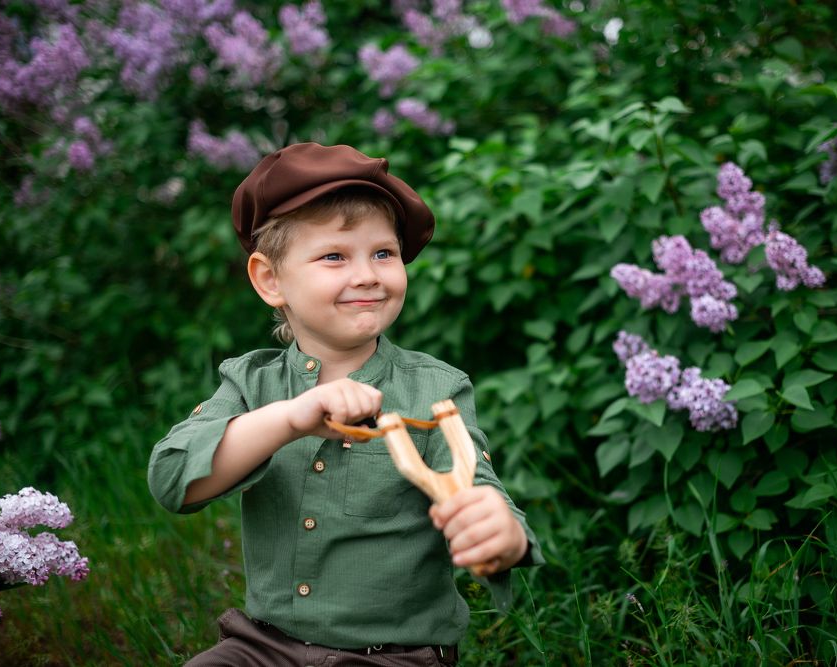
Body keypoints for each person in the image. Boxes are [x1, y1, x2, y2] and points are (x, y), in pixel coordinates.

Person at [147, 143, 543, 666]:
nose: (367, 275)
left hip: (391, 655)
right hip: (262, 647)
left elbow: (473, 483)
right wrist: (289, 419)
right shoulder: (249, 383)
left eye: (384, 253)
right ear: (270, 279)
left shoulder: (434, 389)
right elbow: (175, 480)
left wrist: (502, 533)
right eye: (335, 255)